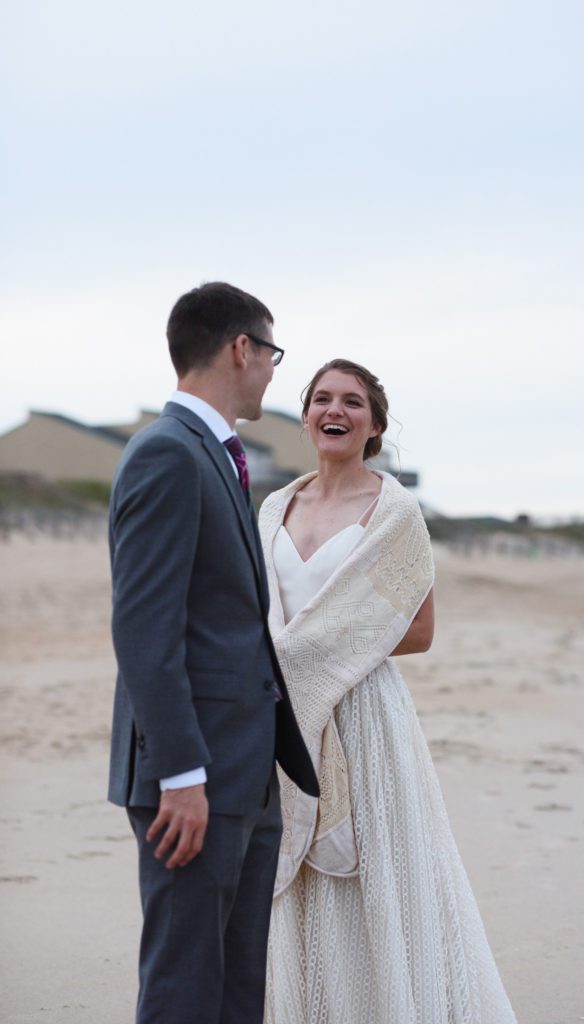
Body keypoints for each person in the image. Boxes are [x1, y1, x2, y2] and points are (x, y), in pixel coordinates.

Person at [259, 359, 517, 1023]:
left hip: (363, 714)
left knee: (377, 872)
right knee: (294, 875)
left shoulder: (395, 512)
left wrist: (320, 656)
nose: (334, 411)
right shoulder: (273, 508)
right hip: (281, 713)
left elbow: (420, 630)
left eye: (352, 401)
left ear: (374, 424)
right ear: (305, 416)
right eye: (321, 399)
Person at [107, 281, 319, 1024]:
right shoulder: (167, 453)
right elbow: (144, 629)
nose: (271, 372)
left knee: (235, 987)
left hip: (243, 769)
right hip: (193, 779)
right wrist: (181, 775)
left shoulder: (217, 455)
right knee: (185, 984)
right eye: (271, 355)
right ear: (241, 348)